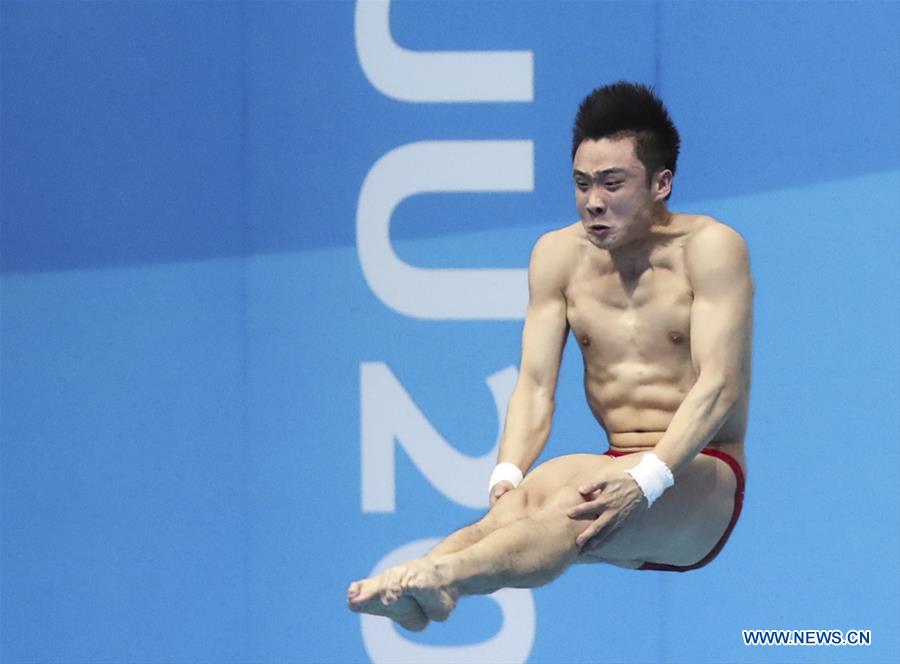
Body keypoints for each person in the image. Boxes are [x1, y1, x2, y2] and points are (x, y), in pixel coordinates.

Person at [347, 81, 753, 632]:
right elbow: (535, 386)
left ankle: (448, 574)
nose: (593, 201)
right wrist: (506, 477)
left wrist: (647, 480)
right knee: (527, 498)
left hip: (701, 477)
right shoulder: (556, 256)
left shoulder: (710, 249)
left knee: (572, 503)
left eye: (613, 183)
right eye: (582, 184)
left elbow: (719, 387)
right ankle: (421, 582)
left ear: (662, 183)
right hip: (615, 461)